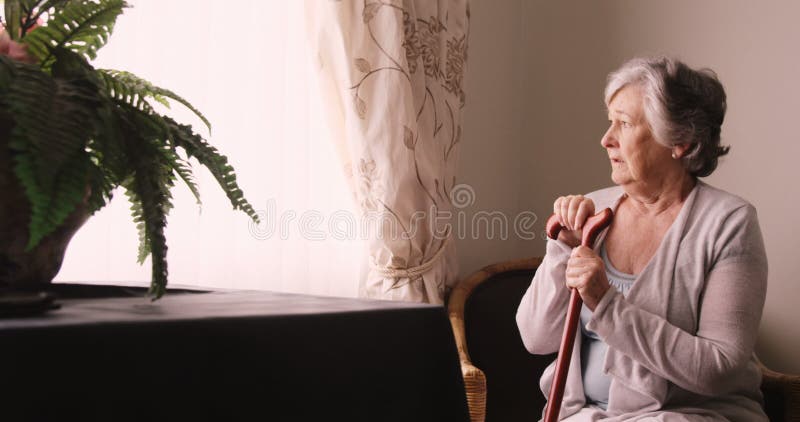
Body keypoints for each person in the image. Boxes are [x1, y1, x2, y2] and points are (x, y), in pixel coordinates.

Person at [516, 57, 768, 421]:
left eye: (624, 124)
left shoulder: (729, 223)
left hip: (688, 414)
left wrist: (606, 303)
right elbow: (536, 338)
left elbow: (718, 368)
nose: (606, 140)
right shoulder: (594, 211)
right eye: (609, 122)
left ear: (679, 142)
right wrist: (562, 248)